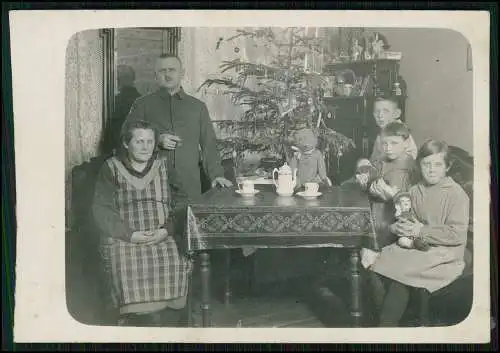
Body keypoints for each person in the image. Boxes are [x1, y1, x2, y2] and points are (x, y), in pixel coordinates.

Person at [92, 120, 193, 327]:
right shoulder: (111, 167)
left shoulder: (164, 165)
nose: (146, 147)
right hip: (127, 236)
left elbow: (182, 200)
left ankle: (166, 319)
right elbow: (101, 208)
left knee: (173, 254)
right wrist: (129, 235)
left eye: (150, 141)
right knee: (123, 257)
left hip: (162, 234)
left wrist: (167, 230)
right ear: (126, 144)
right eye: (139, 141)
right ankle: (134, 318)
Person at [367, 139, 470, 327]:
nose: (432, 169)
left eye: (438, 164)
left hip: (444, 252)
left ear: (448, 167)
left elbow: (458, 234)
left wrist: (421, 230)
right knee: (376, 261)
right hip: (417, 245)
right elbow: (408, 218)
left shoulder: (456, 194)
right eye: (426, 164)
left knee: (401, 274)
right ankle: (390, 319)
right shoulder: (415, 190)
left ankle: (386, 325)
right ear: (419, 165)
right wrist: (397, 227)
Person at [123, 54, 233, 209]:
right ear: (155, 76)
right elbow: (126, 137)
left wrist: (217, 175)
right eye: (162, 71)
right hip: (151, 183)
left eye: (172, 70)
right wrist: (157, 140)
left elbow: (209, 145)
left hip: (189, 185)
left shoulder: (197, 107)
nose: (167, 75)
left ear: (182, 73)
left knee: (188, 229)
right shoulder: (142, 105)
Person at [359, 121, 417, 268]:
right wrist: (368, 185)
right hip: (377, 217)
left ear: (406, 143)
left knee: (388, 260)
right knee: (369, 257)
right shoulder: (379, 162)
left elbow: (414, 200)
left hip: (397, 221)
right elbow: (371, 184)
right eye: (384, 144)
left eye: (394, 143)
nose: (388, 148)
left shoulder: (411, 167)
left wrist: (393, 195)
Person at [102, 65, 141, 155]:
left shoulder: (116, 101)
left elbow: (112, 133)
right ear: (133, 79)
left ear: (118, 81)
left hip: (120, 152)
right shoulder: (142, 99)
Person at [369, 96, 418, 163]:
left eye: (385, 111)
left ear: (396, 114)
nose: (380, 115)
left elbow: (410, 159)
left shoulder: (401, 133)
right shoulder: (381, 134)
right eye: (377, 111)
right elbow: (373, 159)